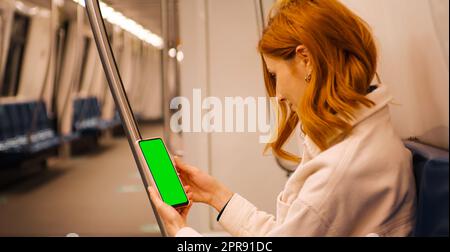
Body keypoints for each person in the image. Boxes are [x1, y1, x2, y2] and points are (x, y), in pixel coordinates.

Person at [148, 0, 416, 237]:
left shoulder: (340, 169)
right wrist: (217, 196)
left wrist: (181, 232)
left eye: (275, 75)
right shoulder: (359, 139)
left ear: (305, 59)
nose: (277, 95)